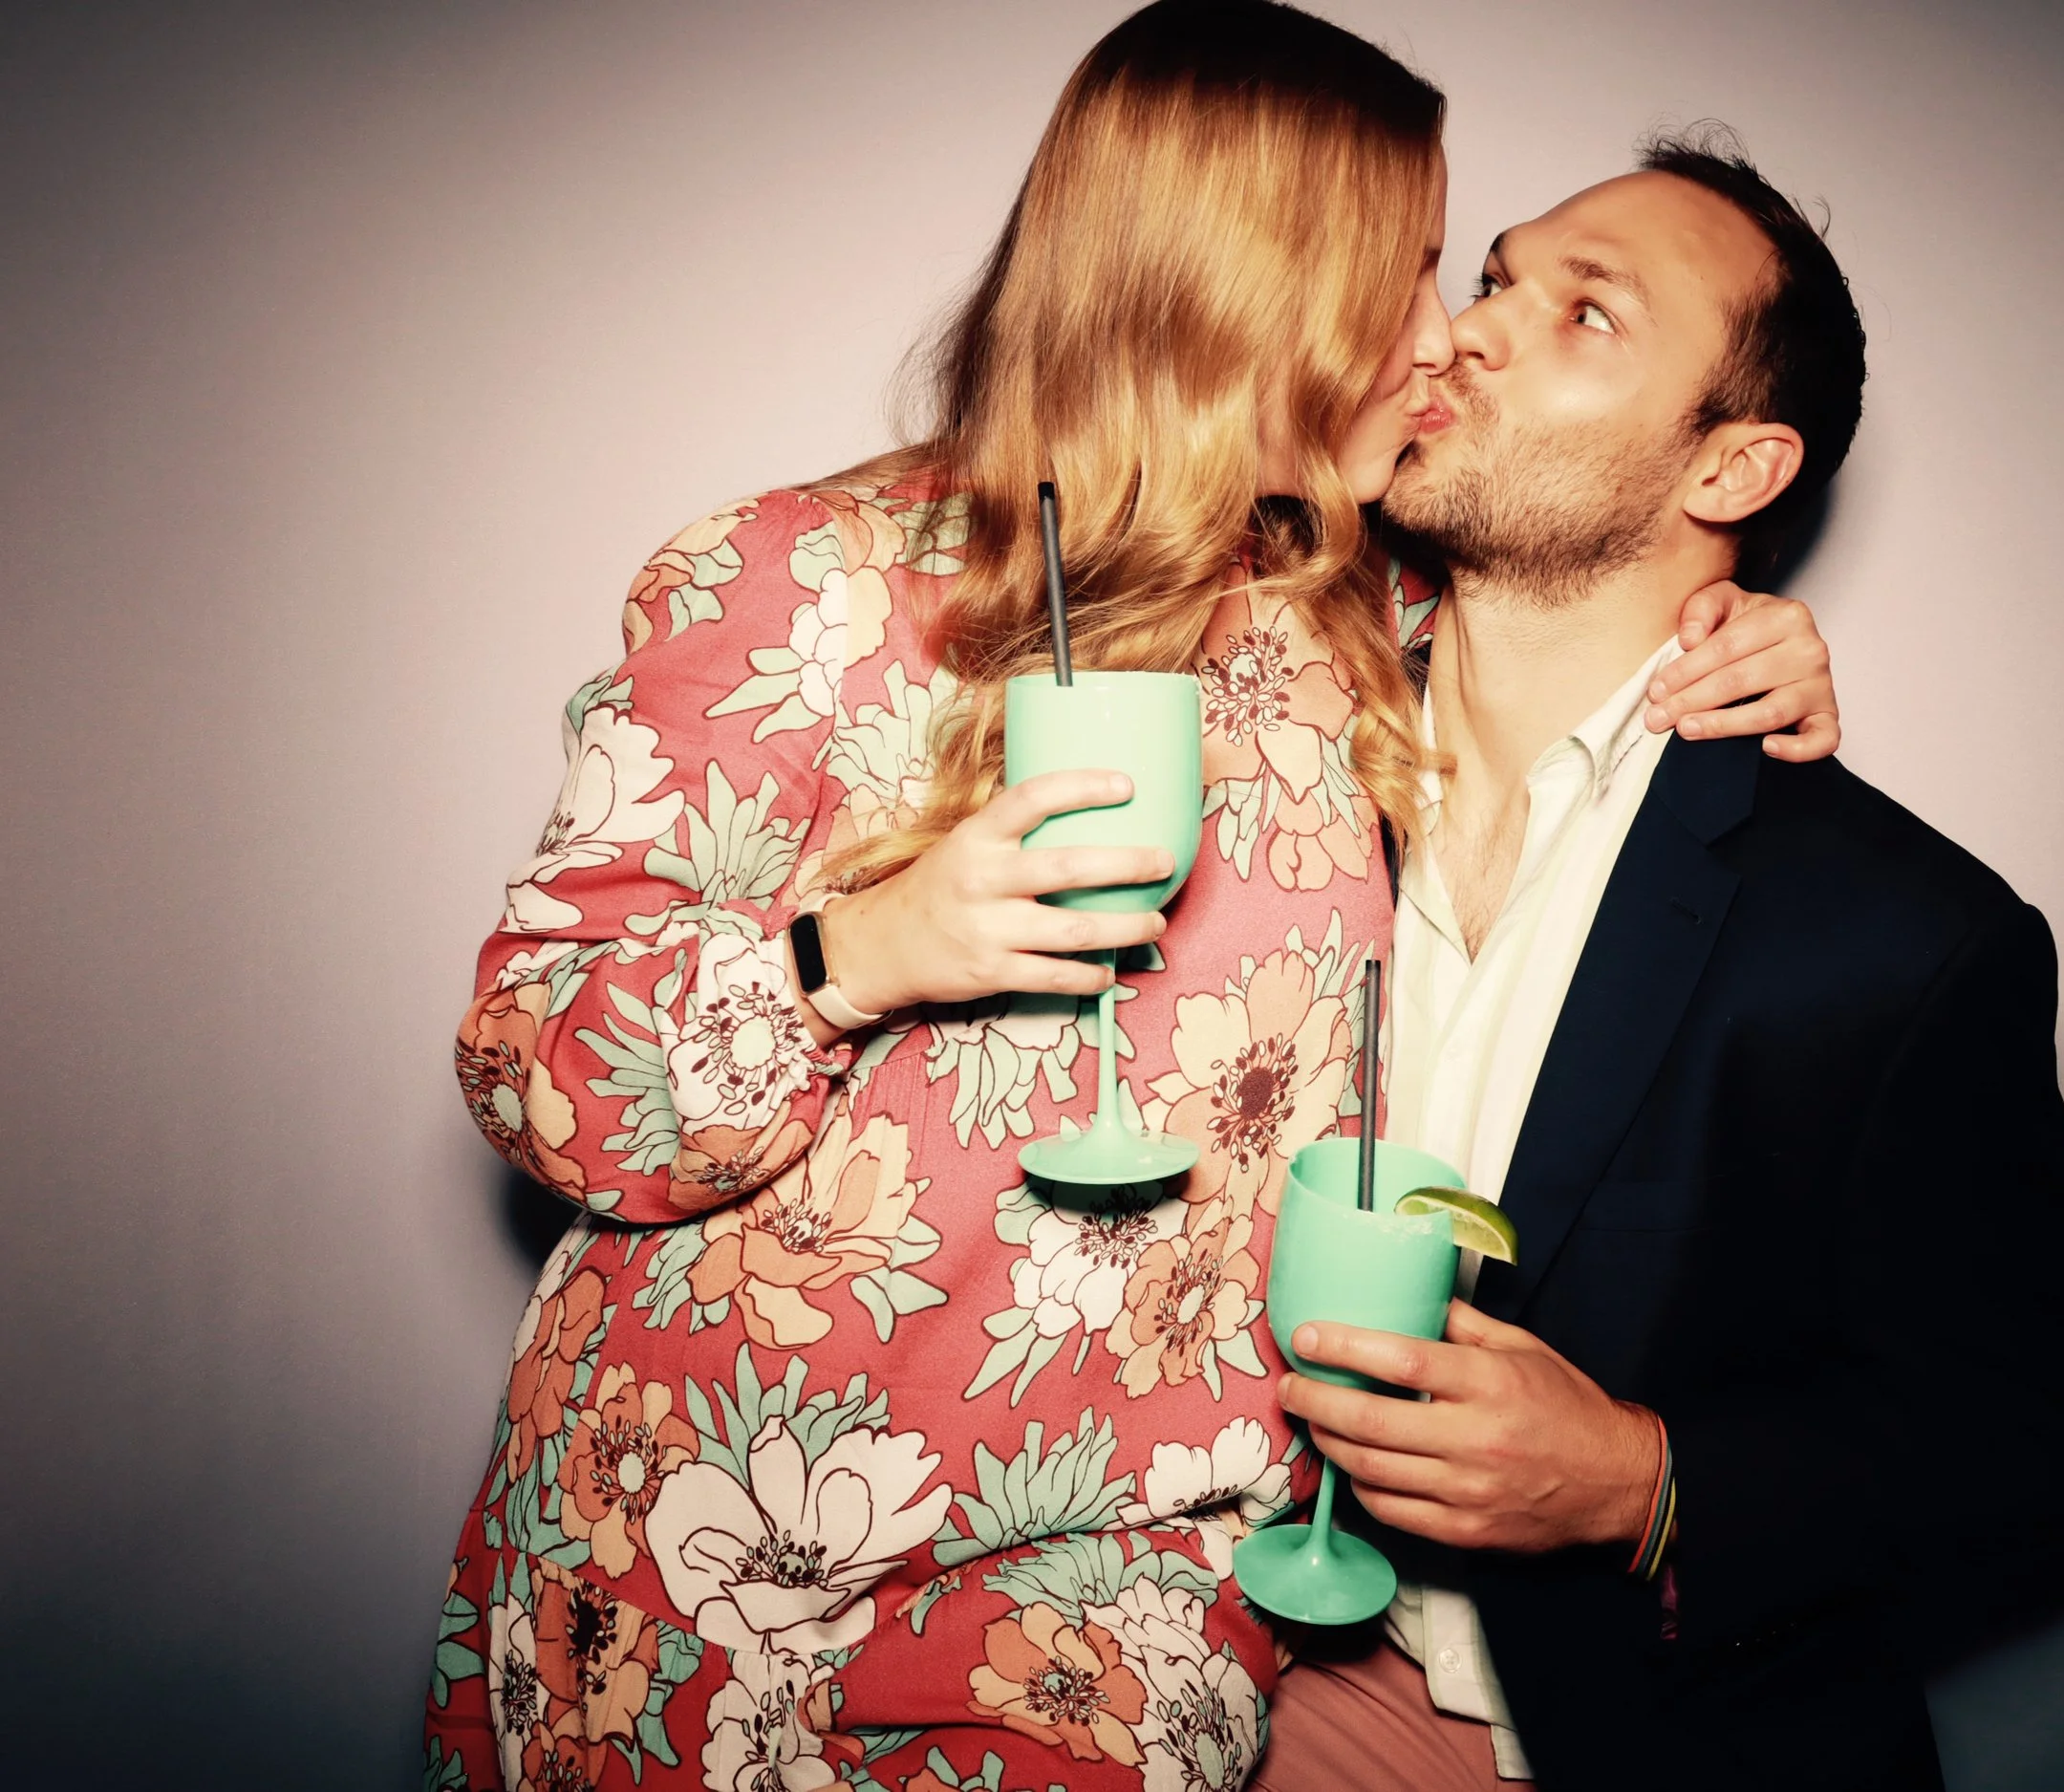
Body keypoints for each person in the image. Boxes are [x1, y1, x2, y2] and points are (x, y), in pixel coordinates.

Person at [422, 11, 1850, 1790]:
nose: (1447, 338)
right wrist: (857, 951)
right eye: (1410, 276)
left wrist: (1744, 628)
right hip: (702, 1550)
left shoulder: (1359, 616)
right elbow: (536, 1079)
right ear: (1245, 279)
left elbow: (1591, 613)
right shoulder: (800, 583)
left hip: (1120, 1598)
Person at [1256, 130, 2064, 1792]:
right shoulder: (1267, 761)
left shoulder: (1904, 936)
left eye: (1587, 313)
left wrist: (1646, 1480)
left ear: (1730, 472)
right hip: (1236, 1692)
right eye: (1496, 276)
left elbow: (2033, 1444)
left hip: (1623, 1741)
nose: (1469, 329)